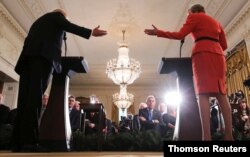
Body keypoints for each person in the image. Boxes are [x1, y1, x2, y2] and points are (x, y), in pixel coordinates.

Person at [12, 8, 107, 151]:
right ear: (63, 16)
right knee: (35, 99)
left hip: (27, 61)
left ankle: (17, 142)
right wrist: (90, 32)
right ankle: (30, 142)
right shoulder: (57, 16)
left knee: (24, 100)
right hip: (42, 59)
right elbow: (70, 26)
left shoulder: (39, 21)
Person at [144, 4, 233, 140]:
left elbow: (180, 35)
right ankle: (229, 136)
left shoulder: (194, 17)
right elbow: (224, 45)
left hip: (202, 54)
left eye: (188, 14)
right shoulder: (216, 22)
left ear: (193, 11)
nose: (188, 17)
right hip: (218, 55)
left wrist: (159, 32)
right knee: (222, 93)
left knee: (203, 94)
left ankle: (206, 138)